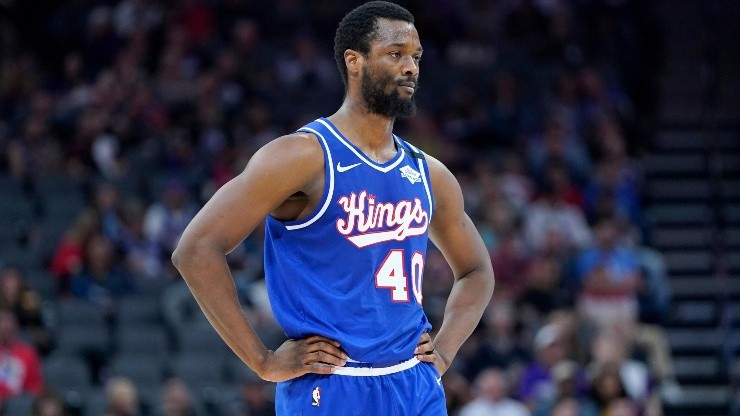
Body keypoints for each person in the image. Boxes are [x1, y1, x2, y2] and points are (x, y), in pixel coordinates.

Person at [171, 2, 495, 415]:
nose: (411, 67)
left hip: (414, 385)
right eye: (396, 54)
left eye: (416, 57)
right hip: (331, 386)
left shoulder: (429, 174)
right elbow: (196, 249)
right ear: (354, 61)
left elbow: (477, 271)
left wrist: (445, 351)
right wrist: (263, 361)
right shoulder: (302, 156)